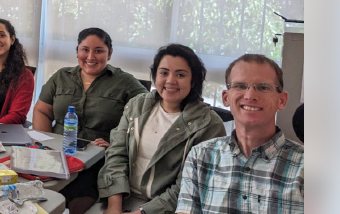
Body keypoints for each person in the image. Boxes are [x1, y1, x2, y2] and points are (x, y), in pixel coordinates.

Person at [96, 44, 225, 214]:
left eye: (180, 74)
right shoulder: (137, 105)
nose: (170, 81)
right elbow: (116, 155)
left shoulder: (209, 124)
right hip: (122, 197)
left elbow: (190, 185)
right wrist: (114, 207)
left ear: (193, 80)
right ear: (155, 76)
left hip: (170, 208)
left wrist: (141, 212)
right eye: (164, 73)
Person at [31, 27, 148, 213]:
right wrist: (45, 143)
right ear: (77, 51)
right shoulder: (61, 76)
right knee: (31, 191)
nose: (90, 56)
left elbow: (148, 117)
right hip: (57, 155)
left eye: (99, 50)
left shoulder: (125, 83)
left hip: (97, 161)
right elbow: (42, 111)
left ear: (110, 53)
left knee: (76, 198)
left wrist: (117, 144)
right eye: (85, 49)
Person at [176, 54, 304, 214]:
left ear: (282, 100)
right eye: (240, 86)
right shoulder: (200, 157)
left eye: (263, 87)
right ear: (226, 97)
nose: (250, 95)